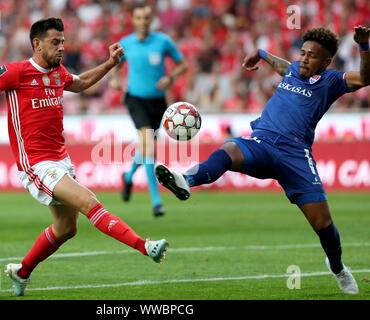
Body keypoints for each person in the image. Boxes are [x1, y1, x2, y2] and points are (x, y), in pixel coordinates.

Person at [0, 18, 169, 297]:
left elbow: (81, 82)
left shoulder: (58, 73)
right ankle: (144, 246)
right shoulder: (15, 73)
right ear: (37, 44)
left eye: (63, 41)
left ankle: (21, 272)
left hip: (61, 160)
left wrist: (110, 64)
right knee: (89, 201)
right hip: (36, 165)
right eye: (55, 42)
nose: (62, 47)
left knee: (66, 228)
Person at [155, 25, 370, 294]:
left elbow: (365, 78)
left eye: (311, 56)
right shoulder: (293, 69)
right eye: (302, 53)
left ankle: (337, 267)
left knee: (323, 225)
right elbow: (282, 65)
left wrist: (363, 45)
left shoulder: (332, 81)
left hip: (295, 155)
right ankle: (185, 180)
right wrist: (259, 53)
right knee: (230, 149)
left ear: (326, 62)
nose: (303, 58)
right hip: (262, 143)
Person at [109, 3, 188, 217]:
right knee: (150, 147)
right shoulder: (126, 44)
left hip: (158, 102)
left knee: (146, 148)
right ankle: (156, 202)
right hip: (135, 99)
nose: (143, 22)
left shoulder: (162, 41)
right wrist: (115, 79)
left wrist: (170, 77)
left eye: (146, 18)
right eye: (139, 18)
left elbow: (183, 65)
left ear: (150, 19)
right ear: (133, 20)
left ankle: (127, 177)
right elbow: (115, 65)